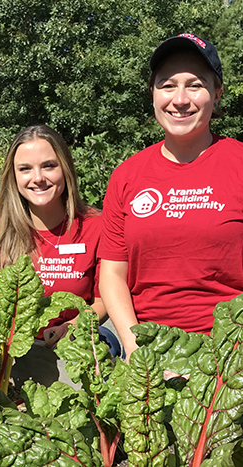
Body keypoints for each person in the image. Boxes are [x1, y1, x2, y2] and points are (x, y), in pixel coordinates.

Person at [99, 33, 243, 362]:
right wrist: (137, 351)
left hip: (230, 354)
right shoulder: (126, 176)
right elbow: (112, 275)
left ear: (216, 94)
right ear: (152, 94)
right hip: (147, 350)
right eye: (167, 85)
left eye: (195, 84)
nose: (179, 99)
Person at [0, 124, 120, 356]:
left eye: (49, 166)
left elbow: (102, 300)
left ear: (65, 169)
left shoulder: (95, 226)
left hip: (75, 345)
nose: (38, 178)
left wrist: (72, 326)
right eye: (25, 169)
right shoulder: (2, 233)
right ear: (13, 176)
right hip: (15, 355)